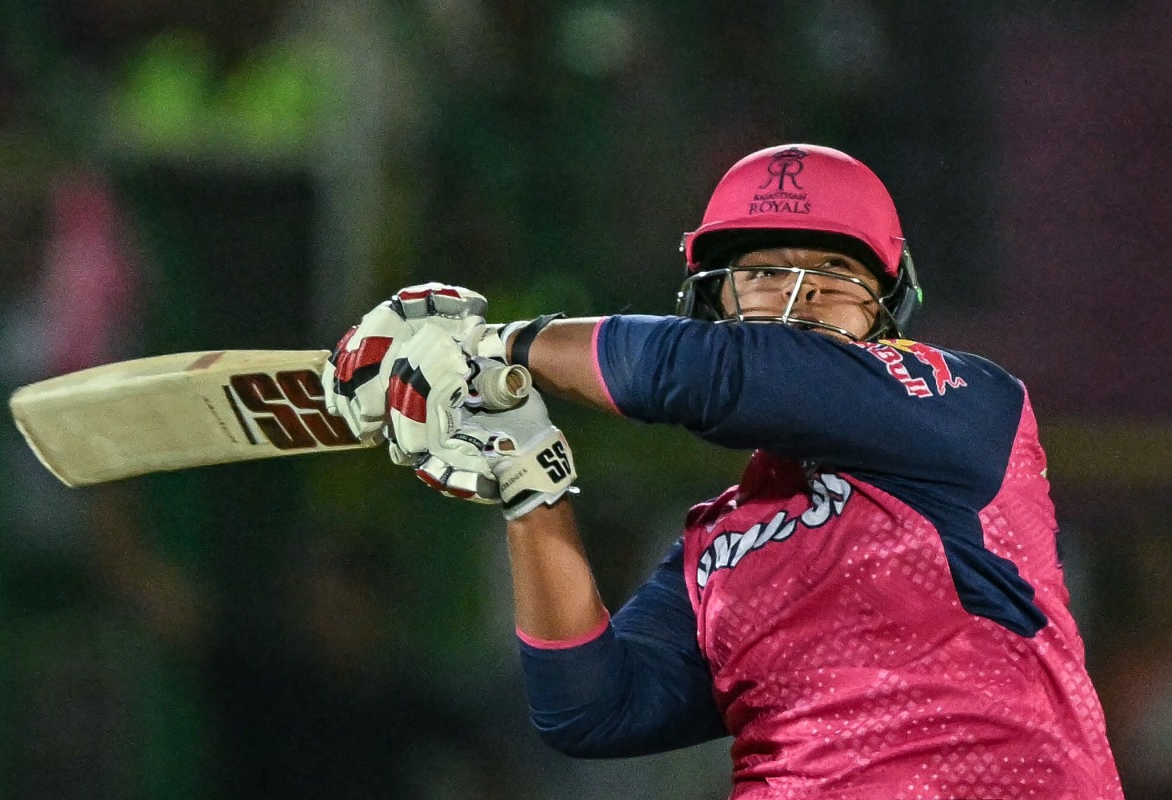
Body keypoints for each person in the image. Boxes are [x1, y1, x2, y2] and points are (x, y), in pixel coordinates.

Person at [323, 144, 1124, 799]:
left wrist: (492, 346)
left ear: (885, 306)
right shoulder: (718, 544)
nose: (799, 298)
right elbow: (591, 709)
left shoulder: (963, 405)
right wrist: (530, 484)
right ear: (717, 303)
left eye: (834, 271)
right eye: (765, 272)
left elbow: (726, 376)